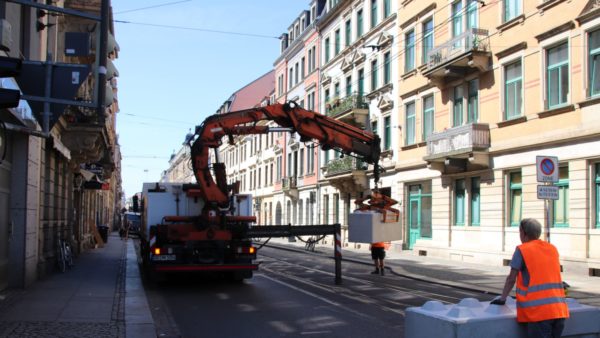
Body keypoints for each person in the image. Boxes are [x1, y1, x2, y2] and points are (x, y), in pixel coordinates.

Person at [491, 218, 569, 338]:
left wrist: (502, 299)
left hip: (539, 314)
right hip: (559, 311)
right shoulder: (552, 248)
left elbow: (511, 278)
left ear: (523, 233)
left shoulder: (522, 249)